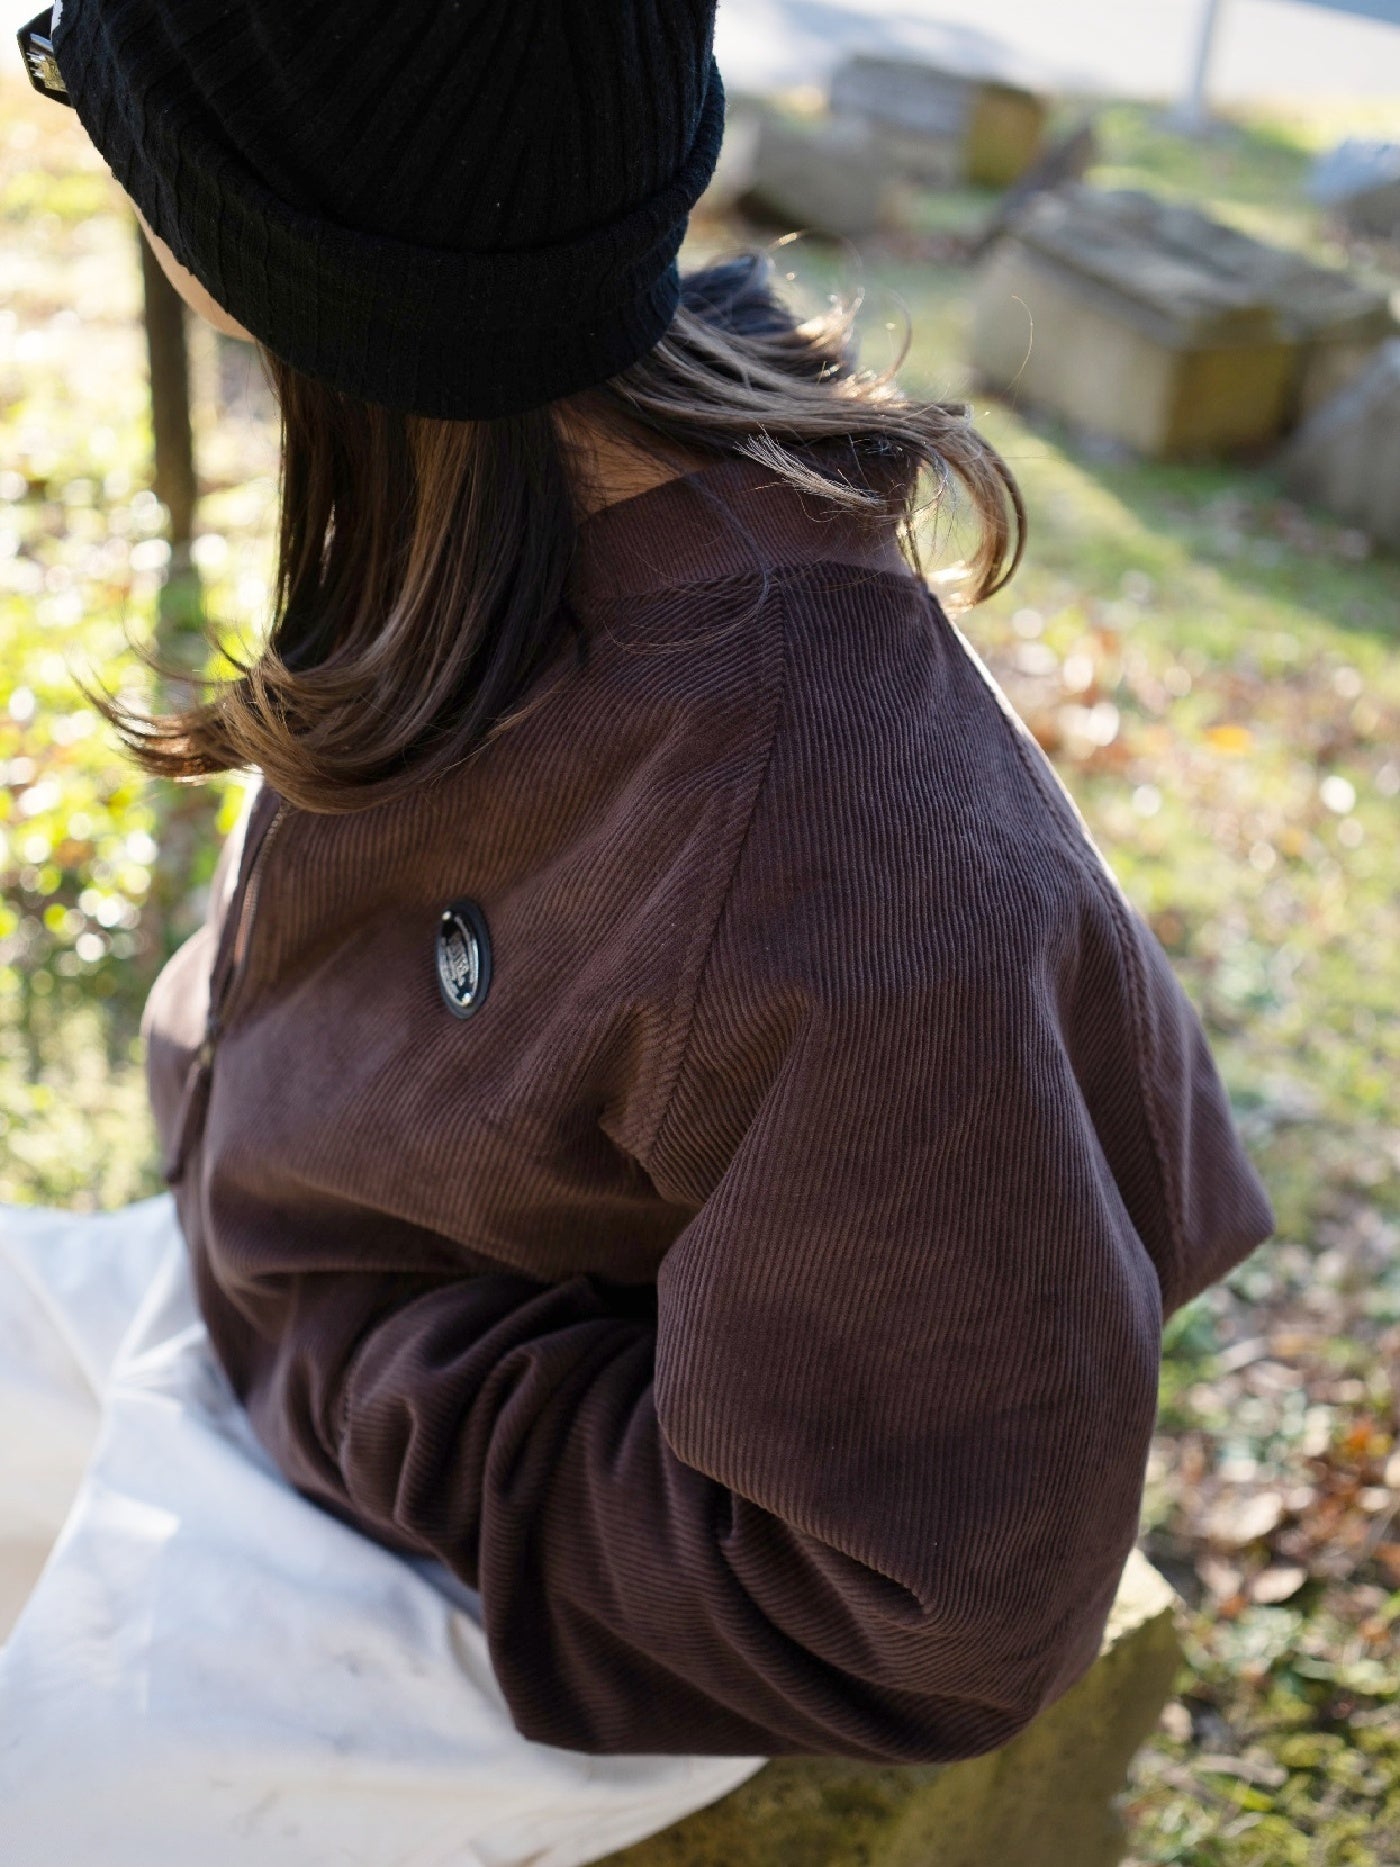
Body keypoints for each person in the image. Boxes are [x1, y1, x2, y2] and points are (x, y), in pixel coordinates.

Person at [5, 0, 1274, 1855]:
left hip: (502, 1551)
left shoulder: (843, 861)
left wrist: (368, 1393)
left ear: (270, 237)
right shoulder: (494, 443)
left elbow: (937, 1606)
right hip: (292, 1304)